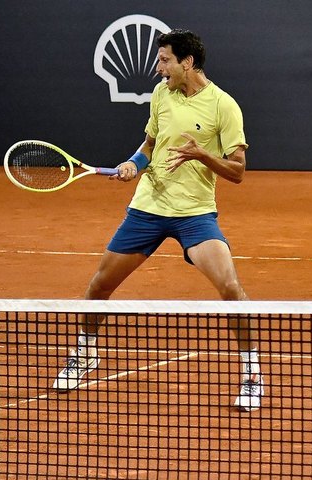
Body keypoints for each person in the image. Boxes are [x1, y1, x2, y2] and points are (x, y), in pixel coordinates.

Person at [52, 29, 263, 411]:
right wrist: (133, 166)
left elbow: (238, 171)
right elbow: (149, 145)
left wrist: (201, 155)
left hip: (195, 214)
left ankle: (252, 375)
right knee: (99, 286)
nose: (158, 67)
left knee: (231, 289)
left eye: (165, 60)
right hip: (148, 208)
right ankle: (84, 355)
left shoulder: (224, 106)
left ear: (188, 62)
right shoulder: (162, 94)